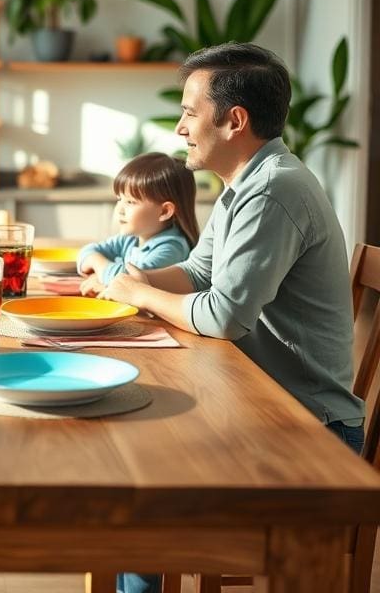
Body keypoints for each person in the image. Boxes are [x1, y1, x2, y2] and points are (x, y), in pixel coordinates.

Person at [100, 43, 364, 593]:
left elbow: (223, 317)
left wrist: (140, 294)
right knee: (128, 461)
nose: (179, 129)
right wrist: (134, 282)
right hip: (263, 408)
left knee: (133, 489)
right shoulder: (245, 184)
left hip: (308, 435)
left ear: (234, 120)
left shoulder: (272, 190)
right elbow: (198, 275)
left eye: (189, 112)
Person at [77, 152, 198, 297]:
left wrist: (98, 266)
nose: (119, 209)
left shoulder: (171, 249)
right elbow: (87, 252)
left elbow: (129, 282)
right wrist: (103, 274)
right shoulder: (132, 238)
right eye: (119, 199)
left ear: (164, 211)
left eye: (130, 202)